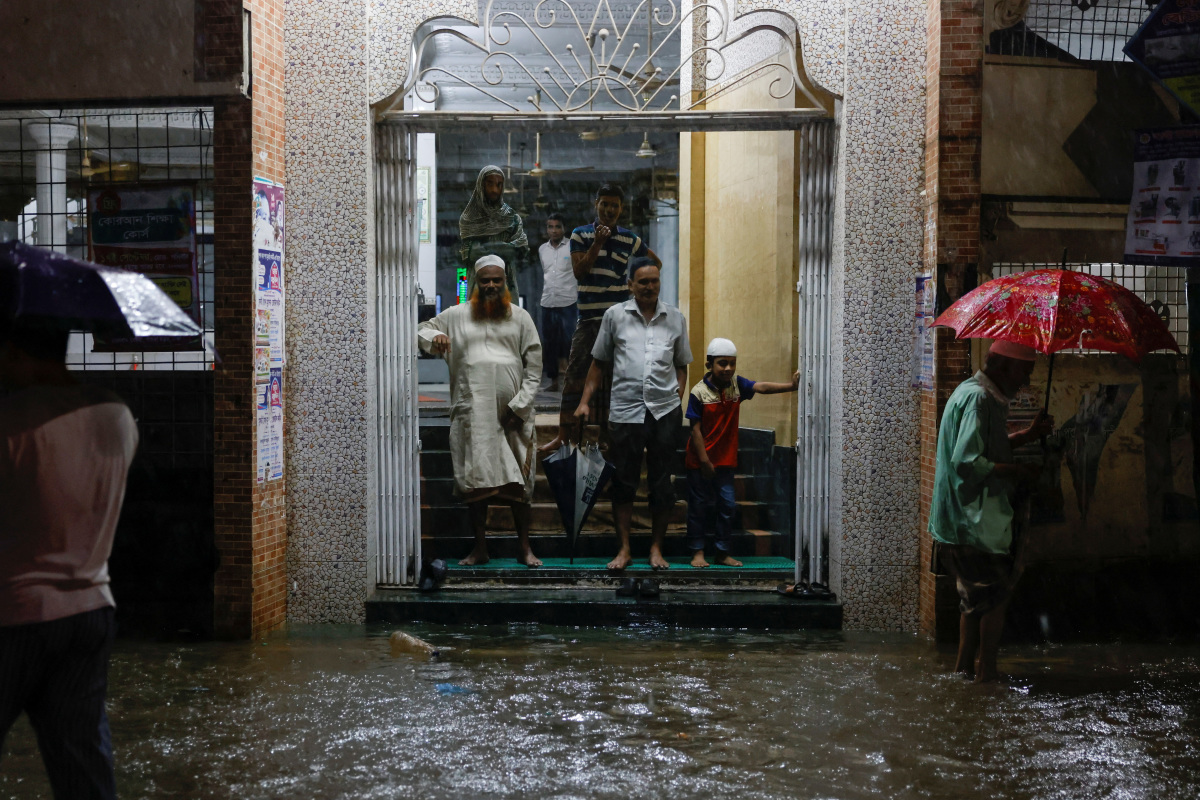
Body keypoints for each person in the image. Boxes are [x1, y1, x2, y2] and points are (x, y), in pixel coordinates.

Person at [0, 319, 139, 800]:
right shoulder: (116, 416)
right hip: (90, 613)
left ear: (16, 353)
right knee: (82, 762)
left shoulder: (12, 422)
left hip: (15, 614)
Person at [929, 339, 1053, 683]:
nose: (1024, 381)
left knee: (973, 601)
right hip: (973, 522)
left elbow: (985, 446)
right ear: (1000, 366)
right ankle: (987, 674)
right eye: (1023, 372)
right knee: (995, 599)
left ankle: (965, 671)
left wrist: (1028, 435)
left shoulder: (969, 391)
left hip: (957, 523)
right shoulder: (980, 400)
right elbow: (967, 461)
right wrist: (1018, 471)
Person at [418, 255, 543, 567]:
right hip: (473, 412)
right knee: (477, 480)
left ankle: (524, 548)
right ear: (475, 283)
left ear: (505, 283)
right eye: (484, 280)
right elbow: (420, 330)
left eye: (496, 280)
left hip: (511, 415)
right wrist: (436, 336)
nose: (490, 285)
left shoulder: (520, 317)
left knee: (519, 483)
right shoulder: (457, 315)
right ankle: (480, 548)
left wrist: (521, 405)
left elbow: (535, 367)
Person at [574, 257, 690, 570]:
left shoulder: (675, 318)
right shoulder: (614, 316)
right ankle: (624, 549)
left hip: (664, 412)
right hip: (625, 411)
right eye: (643, 282)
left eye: (654, 281)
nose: (650, 287)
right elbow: (598, 363)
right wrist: (585, 402)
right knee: (624, 482)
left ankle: (656, 549)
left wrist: (677, 394)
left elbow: (682, 366)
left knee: (662, 483)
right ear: (631, 285)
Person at [540, 183, 661, 452]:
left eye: (614, 205)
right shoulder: (580, 235)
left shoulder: (630, 239)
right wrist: (598, 242)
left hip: (620, 323)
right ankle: (564, 436)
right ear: (596, 205)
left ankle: (609, 438)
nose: (609, 210)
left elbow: (654, 264)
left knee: (615, 382)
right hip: (589, 321)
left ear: (621, 209)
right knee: (574, 378)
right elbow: (580, 272)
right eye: (604, 204)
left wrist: (635, 285)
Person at [684, 338, 800, 568]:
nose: (728, 368)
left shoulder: (737, 385)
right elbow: (694, 430)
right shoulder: (698, 392)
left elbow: (761, 387)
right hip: (700, 461)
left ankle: (721, 552)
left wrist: (791, 386)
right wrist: (705, 461)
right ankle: (697, 552)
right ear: (709, 365)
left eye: (732, 363)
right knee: (698, 507)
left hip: (726, 461)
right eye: (722, 363)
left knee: (727, 505)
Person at [457, 165, 528, 299]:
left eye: (499, 185)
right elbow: (468, 254)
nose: (495, 190)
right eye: (490, 184)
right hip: (478, 282)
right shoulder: (469, 218)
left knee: (506, 318)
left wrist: (488, 248)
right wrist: (501, 248)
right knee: (477, 317)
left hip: (506, 282)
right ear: (481, 185)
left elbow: (519, 249)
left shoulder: (512, 218)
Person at [537, 213, 577, 392]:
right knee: (550, 343)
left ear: (564, 228)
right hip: (548, 302)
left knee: (569, 341)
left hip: (568, 301)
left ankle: (570, 380)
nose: (553, 231)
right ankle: (553, 381)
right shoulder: (542, 250)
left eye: (557, 227)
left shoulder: (572, 247)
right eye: (550, 227)